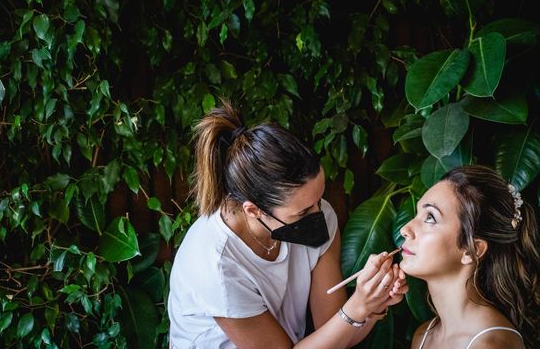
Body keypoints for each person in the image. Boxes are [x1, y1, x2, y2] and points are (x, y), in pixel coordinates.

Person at [168, 102, 408, 348]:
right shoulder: (215, 265)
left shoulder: (320, 216)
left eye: (319, 199)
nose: (319, 213)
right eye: (303, 211)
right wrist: (358, 305)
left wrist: (374, 304)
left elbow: (335, 333)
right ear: (254, 210)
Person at [399, 165, 540, 348]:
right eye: (417, 213)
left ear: (471, 249)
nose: (405, 230)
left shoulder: (491, 344)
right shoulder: (424, 336)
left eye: (430, 218)